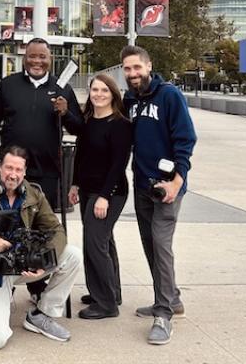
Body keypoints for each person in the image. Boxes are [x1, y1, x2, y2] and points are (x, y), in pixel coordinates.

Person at [0, 145, 81, 350]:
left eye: (18, 169)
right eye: (9, 168)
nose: (13, 174)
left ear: (25, 171)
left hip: (22, 265)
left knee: (72, 255)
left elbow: (56, 230)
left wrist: (43, 258)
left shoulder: (33, 194)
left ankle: (41, 315)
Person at [120, 45, 197, 345]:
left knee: (162, 247)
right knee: (151, 246)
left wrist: (177, 182)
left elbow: (186, 140)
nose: (132, 74)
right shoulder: (131, 99)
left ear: (149, 66)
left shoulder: (169, 96)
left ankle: (163, 314)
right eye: (127, 69)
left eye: (137, 68)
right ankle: (171, 298)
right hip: (142, 186)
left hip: (167, 188)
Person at [0, 37, 83, 213]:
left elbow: (79, 129)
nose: (37, 61)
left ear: (50, 59)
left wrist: (65, 113)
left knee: (41, 226)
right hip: (11, 168)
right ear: (24, 59)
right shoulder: (8, 85)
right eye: (32, 56)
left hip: (47, 171)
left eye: (42, 57)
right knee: (8, 222)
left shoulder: (62, 88)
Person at [68, 74, 132, 320]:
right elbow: (81, 156)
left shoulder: (121, 125)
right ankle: (110, 292)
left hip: (110, 193)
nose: (99, 94)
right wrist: (75, 184)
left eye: (104, 90)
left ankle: (106, 304)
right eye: (95, 90)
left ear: (113, 94)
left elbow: (118, 165)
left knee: (94, 244)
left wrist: (105, 196)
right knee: (104, 242)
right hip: (88, 189)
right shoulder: (89, 120)